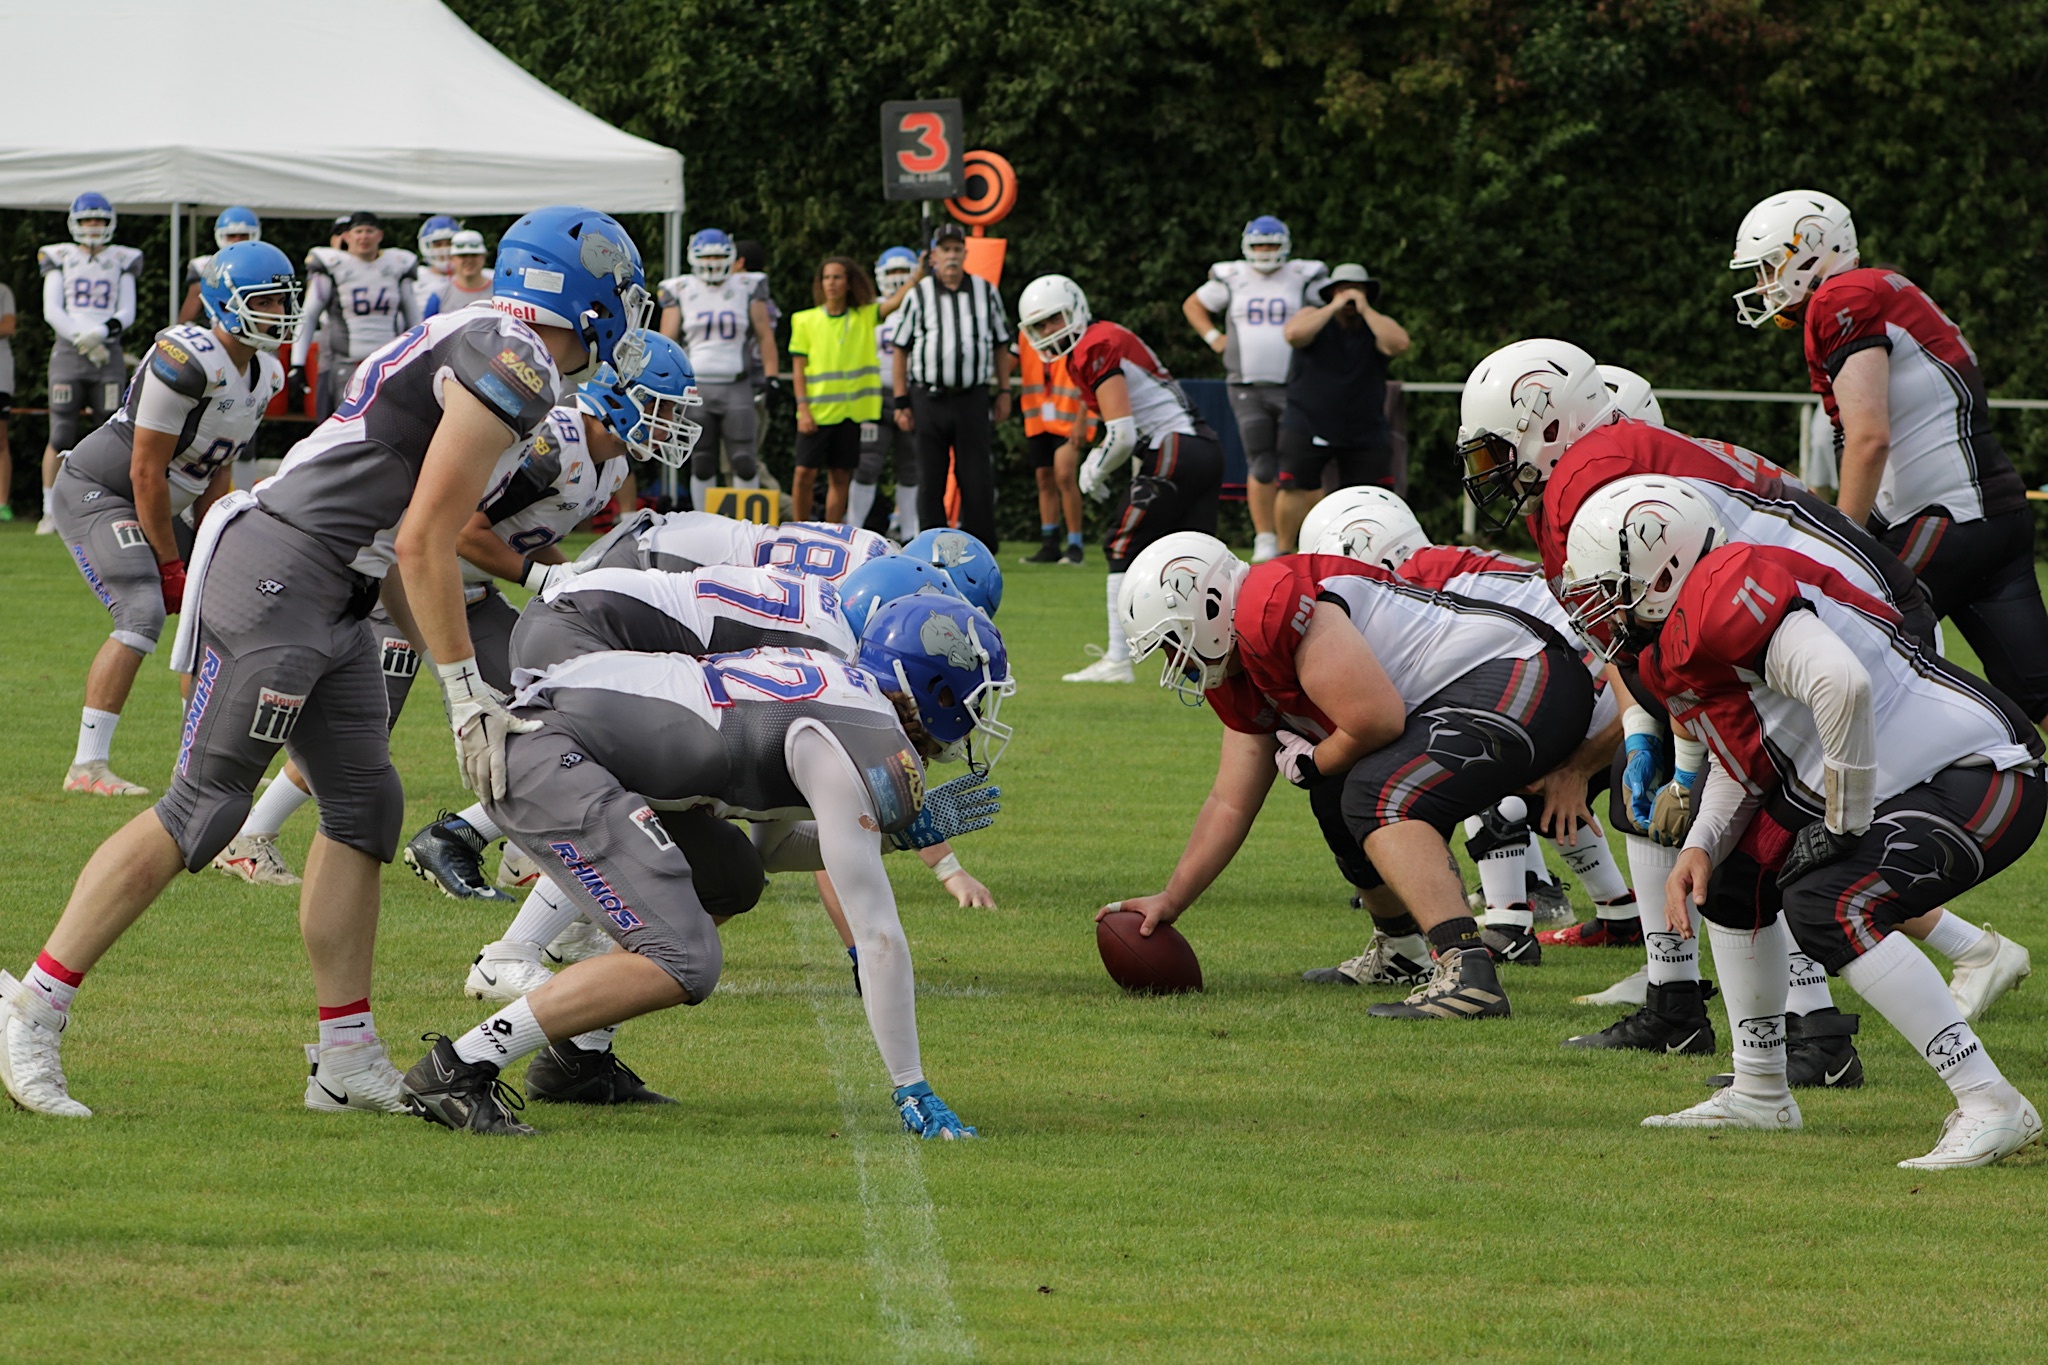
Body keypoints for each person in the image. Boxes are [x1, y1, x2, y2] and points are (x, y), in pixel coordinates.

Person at [0, 206, 651, 1121]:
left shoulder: (488, 340)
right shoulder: (515, 358)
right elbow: (429, 538)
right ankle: (35, 1003)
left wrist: (446, 657)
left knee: (366, 802)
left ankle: (344, 1053)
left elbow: (399, 535)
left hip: (343, 578)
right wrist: (466, 692)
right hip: (287, 571)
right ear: (579, 292)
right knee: (205, 805)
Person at [1457, 337, 2029, 1060]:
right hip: (1810, 616)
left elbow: (1648, 623)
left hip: (1817, 627)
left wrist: (1678, 747)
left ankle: (1816, 1028)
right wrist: (1644, 730)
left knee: (1776, 834)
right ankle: (1705, 1009)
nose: (1490, 476)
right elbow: (1626, 637)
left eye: (1493, 453)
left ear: (1545, 421)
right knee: (1708, 821)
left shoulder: (1590, 481)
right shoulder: (1596, 471)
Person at [1561, 475, 2043, 1167]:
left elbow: (1838, 682)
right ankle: (1761, 1089)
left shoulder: (1726, 587)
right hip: (1905, 776)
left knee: (1827, 901)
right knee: (1729, 882)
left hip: (1977, 771)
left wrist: (1843, 821)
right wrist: (1700, 844)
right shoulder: (1677, 641)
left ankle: (1990, 1099)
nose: (1595, 609)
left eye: (1606, 587)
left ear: (1662, 567)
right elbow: (1742, 765)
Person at [395, 597, 1012, 1137]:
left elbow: (771, 851)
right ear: (937, 690)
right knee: (685, 959)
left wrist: (893, 840)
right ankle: (456, 1068)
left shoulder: (835, 685)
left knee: (732, 876)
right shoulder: (863, 734)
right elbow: (876, 932)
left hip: (571, 737)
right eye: (980, 698)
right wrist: (911, 1083)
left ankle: (576, 1063)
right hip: (551, 754)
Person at [221, 337, 694, 891]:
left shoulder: (609, 467)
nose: (668, 425)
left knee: (537, 705)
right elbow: (466, 530)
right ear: (618, 397)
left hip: (473, 598)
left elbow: (528, 534)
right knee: (365, 730)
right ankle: (251, 836)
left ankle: (524, 847)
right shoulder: (556, 442)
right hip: (414, 592)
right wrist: (542, 580)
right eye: (663, 409)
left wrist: (571, 578)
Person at [1102, 532, 1594, 1019]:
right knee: (1337, 790)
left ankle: (1468, 973)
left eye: (1172, 641)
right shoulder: (1243, 665)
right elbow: (1229, 802)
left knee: (1375, 792)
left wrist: (1314, 761)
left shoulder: (1269, 612)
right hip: (1486, 689)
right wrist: (1172, 898)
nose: (1175, 660)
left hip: (1524, 671)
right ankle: (1402, 951)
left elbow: (1376, 720)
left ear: (1208, 607)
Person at [1731, 190, 2048, 725]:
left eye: (1770, 266)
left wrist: (1840, 541)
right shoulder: (1884, 288)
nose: (1763, 284)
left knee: (1829, 660)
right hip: (1999, 519)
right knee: (2041, 700)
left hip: (1943, 522)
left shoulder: (1841, 298)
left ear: (1810, 248)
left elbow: (1869, 437)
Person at [1298, 486, 1641, 975]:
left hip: (1600, 693)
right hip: (1597, 688)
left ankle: (1507, 922)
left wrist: (1581, 764)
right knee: (1504, 762)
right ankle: (1616, 908)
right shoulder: (1452, 566)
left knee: (1465, 751)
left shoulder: (1411, 587)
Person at [49, 242, 296, 798]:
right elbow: (144, 471)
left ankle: (195, 763)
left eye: (284, 301)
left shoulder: (266, 374)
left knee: (216, 617)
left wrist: (215, 546)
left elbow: (216, 472)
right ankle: (87, 766)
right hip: (101, 490)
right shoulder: (185, 361)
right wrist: (167, 563)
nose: (280, 314)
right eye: (268, 301)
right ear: (226, 304)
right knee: (141, 609)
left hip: (168, 497)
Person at [1015, 274, 1221, 684]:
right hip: (1200, 448)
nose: (1048, 332)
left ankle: (1117, 661)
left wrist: (1096, 464)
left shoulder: (1094, 343)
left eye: (1054, 320)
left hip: (1174, 445)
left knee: (1122, 542)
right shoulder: (1095, 343)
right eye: (1039, 326)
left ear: (1074, 310)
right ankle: (1217, 663)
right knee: (1198, 561)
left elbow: (1123, 433)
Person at [1182, 216, 1327, 562]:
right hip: (1247, 385)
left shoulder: (1303, 277)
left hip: (1296, 385)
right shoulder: (1233, 278)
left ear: (1285, 246)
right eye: (1259, 245)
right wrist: (1213, 337)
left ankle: (1315, 533)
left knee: (1302, 463)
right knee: (1261, 461)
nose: (1265, 252)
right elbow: (1193, 304)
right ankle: (1265, 536)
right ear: (1247, 246)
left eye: (1271, 245)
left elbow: (1328, 312)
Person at [889, 222, 1014, 549]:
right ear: (933, 255)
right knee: (930, 477)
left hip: (972, 397)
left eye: (957, 249)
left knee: (976, 476)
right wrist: (901, 400)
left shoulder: (986, 291)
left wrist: (1004, 390)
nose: (952, 256)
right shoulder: (919, 295)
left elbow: (1002, 344)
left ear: (965, 253)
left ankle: (980, 547)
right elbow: (900, 348)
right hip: (928, 398)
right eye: (945, 250)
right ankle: (932, 546)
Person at [1274, 264, 1410, 552]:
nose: (1349, 296)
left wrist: (1365, 309)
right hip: (1306, 422)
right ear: (1331, 292)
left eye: (1357, 289)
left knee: (1373, 496)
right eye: (1342, 288)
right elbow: (1294, 335)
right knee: (1294, 486)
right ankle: (1283, 552)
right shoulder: (1312, 317)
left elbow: (1399, 344)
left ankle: (1369, 555)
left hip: (1365, 428)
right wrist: (1333, 306)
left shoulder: (1375, 326)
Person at [37, 193, 144, 535]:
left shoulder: (122, 259)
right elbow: (52, 310)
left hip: (108, 351)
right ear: (75, 223)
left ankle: (112, 505)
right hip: (69, 351)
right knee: (61, 431)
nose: (93, 226)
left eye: (99, 219)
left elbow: (127, 311)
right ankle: (49, 509)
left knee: (114, 430)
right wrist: (82, 338)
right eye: (87, 220)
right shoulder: (60, 256)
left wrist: (100, 333)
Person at [658, 228, 778, 512]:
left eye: (719, 255)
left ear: (732, 256)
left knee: (744, 459)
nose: (712, 262)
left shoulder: (747, 285)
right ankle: (704, 521)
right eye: (707, 255)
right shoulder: (681, 288)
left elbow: (764, 334)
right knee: (701, 459)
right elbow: (668, 340)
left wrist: (772, 377)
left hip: (737, 384)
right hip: (696, 386)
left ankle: (746, 524)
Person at [288, 211, 421, 426]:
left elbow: (414, 317)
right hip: (343, 362)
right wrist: (298, 363)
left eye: (369, 231)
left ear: (380, 235)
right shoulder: (333, 264)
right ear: (347, 236)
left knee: (385, 425)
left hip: (387, 362)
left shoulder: (397, 264)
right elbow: (309, 314)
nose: (364, 237)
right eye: (358, 231)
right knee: (339, 426)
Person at [789, 257, 881, 524]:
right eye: (826, 277)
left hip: (848, 414)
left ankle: (831, 533)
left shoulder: (863, 317)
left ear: (849, 283)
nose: (831, 283)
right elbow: (798, 369)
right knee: (804, 473)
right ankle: (798, 529)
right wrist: (803, 408)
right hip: (815, 413)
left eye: (837, 277)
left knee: (840, 476)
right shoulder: (805, 320)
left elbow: (892, 304)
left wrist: (918, 275)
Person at [851, 246, 923, 536]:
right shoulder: (870, 310)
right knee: (866, 465)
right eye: (891, 272)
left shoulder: (921, 306)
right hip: (874, 395)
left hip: (910, 392)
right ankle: (852, 530)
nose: (896, 278)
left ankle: (910, 533)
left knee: (911, 466)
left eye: (901, 272)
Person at [1015, 329, 1093, 565]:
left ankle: (1075, 545)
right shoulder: (1024, 335)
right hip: (1038, 418)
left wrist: (1083, 418)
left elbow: (1088, 376)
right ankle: (1050, 545)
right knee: (1044, 478)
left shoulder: (1073, 331)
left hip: (1069, 418)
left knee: (1064, 474)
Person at [177, 207, 262, 324]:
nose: (237, 240)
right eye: (231, 235)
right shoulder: (205, 266)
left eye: (243, 235)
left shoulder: (262, 263)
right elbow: (186, 318)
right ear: (221, 236)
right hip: (217, 332)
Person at [421, 231, 493, 317]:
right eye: (462, 256)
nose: (469, 260)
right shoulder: (439, 296)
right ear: (452, 258)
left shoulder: (499, 294)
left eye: (474, 255)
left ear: (483, 257)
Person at [413, 215, 461, 313]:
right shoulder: (415, 278)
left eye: (449, 243)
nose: (444, 249)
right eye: (438, 244)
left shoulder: (477, 276)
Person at [0, 278, 15, 521]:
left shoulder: (2, 291)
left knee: (0, 439)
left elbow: (8, 326)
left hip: (0, 375)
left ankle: (2, 504)